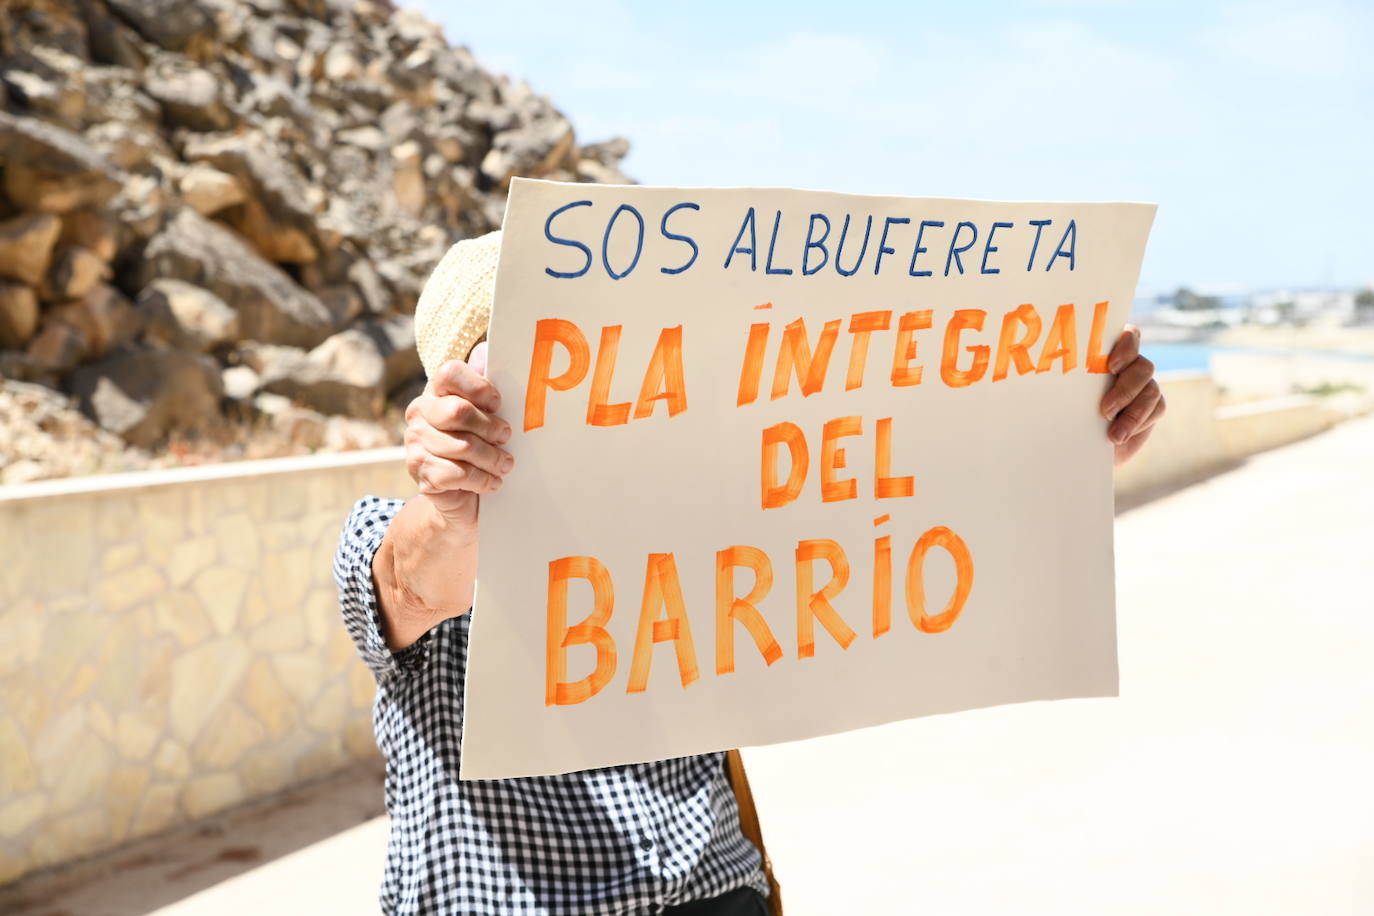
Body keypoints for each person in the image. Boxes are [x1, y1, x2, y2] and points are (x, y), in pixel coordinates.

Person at [334, 231, 1165, 916]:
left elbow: (900, 514)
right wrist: (450, 510)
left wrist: (1072, 447)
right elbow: (412, 587)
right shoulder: (393, 532)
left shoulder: (696, 509)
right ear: (460, 385)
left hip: (719, 895)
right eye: (523, 351)